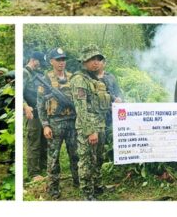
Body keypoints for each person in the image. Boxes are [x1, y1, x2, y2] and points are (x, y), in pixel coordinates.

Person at [70, 45, 112, 201]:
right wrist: (90, 131)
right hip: (88, 127)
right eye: (91, 59)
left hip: (99, 125)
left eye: (98, 59)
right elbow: (81, 109)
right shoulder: (79, 80)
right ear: (84, 61)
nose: (96, 62)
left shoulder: (94, 79)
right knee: (86, 160)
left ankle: (97, 186)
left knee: (98, 158)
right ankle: (87, 193)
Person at [38, 47, 79, 200]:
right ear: (51, 61)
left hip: (73, 122)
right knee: (53, 158)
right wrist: (45, 125)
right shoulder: (46, 79)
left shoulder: (73, 77)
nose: (62, 62)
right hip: (55, 123)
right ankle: (53, 189)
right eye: (58, 60)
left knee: (76, 154)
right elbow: (40, 103)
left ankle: (79, 182)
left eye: (63, 59)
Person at [23, 51, 48, 180]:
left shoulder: (37, 75)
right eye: (39, 63)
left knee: (44, 142)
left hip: (42, 113)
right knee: (34, 142)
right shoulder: (25, 73)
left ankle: (43, 168)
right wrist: (25, 106)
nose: (40, 66)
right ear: (33, 60)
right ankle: (33, 173)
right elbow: (19, 93)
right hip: (32, 114)